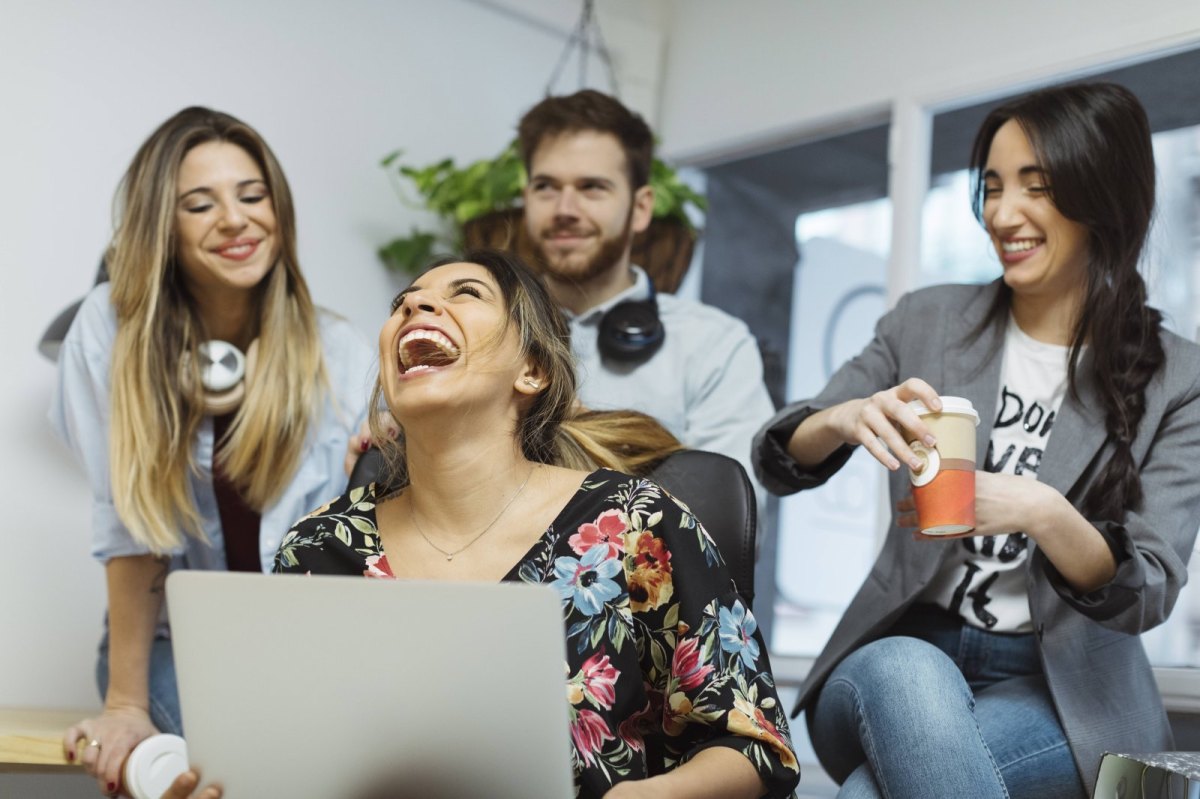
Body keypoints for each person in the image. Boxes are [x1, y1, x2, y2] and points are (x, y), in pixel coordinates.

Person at [194, 249, 793, 799]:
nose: (414, 305)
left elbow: (756, 744)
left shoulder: (635, 523)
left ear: (531, 370)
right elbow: (283, 755)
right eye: (404, 301)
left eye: (466, 293)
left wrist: (647, 796)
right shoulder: (318, 548)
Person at [752, 82, 1200, 799]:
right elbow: (779, 460)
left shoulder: (1179, 378)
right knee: (909, 673)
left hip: (1061, 688)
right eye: (991, 187)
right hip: (895, 654)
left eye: (1037, 187)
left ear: (1101, 198)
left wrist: (1043, 510)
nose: (1002, 213)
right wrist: (839, 419)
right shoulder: (927, 321)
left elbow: (1147, 589)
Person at [52, 107, 373, 795]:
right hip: (177, 647)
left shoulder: (339, 350)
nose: (235, 219)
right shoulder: (108, 330)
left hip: (303, 649)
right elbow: (131, 523)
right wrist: (126, 704)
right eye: (200, 204)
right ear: (161, 226)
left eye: (253, 195)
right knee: (236, 770)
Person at [516, 89, 775, 489]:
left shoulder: (712, 345)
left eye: (592, 187)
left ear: (640, 208)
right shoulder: (483, 329)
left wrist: (593, 434)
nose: (564, 209)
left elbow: (725, 523)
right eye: (546, 187)